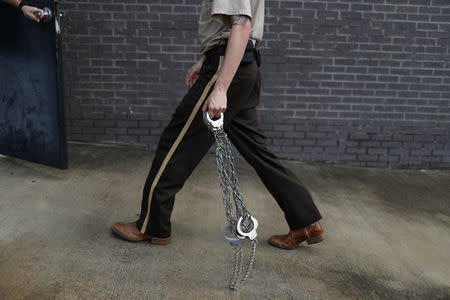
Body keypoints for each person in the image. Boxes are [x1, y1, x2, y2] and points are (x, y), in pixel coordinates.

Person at [112, 0, 324, 250]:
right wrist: (205, 61)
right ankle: (306, 221)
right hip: (242, 65)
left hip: (228, 68)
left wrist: (220, 87)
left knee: (177, 141)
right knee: (257, 151)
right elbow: (232, 28)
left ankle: (150, 225)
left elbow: (241, 26)